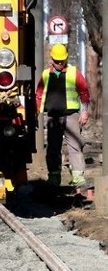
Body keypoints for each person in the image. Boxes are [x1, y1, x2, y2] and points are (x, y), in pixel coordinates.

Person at [35, 43, 90, 188]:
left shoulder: (74, 72)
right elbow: (39, 95)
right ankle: (54, 177)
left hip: (71, 115)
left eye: (62, 61)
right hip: (53, 117)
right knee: (53, 148)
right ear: (52, 59)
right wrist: (36, 112)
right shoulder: (46, 74)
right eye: (57, 61)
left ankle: (78, 178)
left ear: (65, 59)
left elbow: (84, 92)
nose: (59, 64)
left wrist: (84, 111)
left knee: (75, 146)